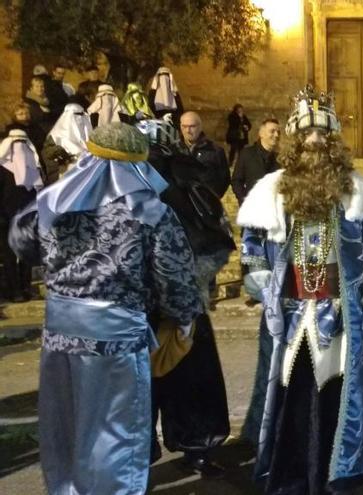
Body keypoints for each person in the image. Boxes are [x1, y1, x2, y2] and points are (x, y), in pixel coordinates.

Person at [8, 122, 202, 494]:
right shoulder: (149, 212)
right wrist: (183, 318)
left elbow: (21, 241)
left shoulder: (52, 203)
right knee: (114, 432)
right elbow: (174, 276)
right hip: (116, 339)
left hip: (61, 333)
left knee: (67, 425)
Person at [238, 84, 363, 493]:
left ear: (333, 141)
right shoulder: (272, 189)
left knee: (338, 393)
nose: (314, 142)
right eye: (306, 134)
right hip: (290, 312)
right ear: (294, 140)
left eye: (322, 135)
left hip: (341, 311)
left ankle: (339, 471)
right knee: (293, 390)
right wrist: (260, 285)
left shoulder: (357, 190)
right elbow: (253, 245)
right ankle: (290, 471)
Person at [138, 118, 235, 478]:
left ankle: (198, 446)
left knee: (192, 381)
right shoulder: (123, 190)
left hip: (184, 301)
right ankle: (139, 454)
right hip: (142, 306)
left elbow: (214, 239)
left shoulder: (190, 188)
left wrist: (192, 282)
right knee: (142, 386)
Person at [0, 130, 43, 302]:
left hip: (28, 219)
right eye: (16, 143)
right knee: (9, 256)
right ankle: (14, 290)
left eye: (24, 143)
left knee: (26, 254)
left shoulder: (33, 167)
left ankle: (26, 287)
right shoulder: (2, 169)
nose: (21, 148)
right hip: (6, 218)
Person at [180, 111, 230, 199]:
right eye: (184, 126)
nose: (188, 130)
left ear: (200, 127)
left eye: (192, 126)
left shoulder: (215, 151)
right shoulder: (173, 150)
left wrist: (213, 197)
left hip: (206, 204)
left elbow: (224, 179)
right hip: (181, 205)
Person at [231, 118, 280, 204]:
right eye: (272, 131)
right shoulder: (247, 154)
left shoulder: (280, 158)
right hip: (252, 209)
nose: (276, 135)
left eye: (278, 132)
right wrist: (244, 201)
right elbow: (236, 181)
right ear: (261, 134)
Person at [41, 103, 92, 184]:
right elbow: (49, 155)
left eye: (82, 116)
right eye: (78, 116)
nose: (81, 119)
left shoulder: (87, 131)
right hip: (66, 178)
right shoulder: (55, 135)